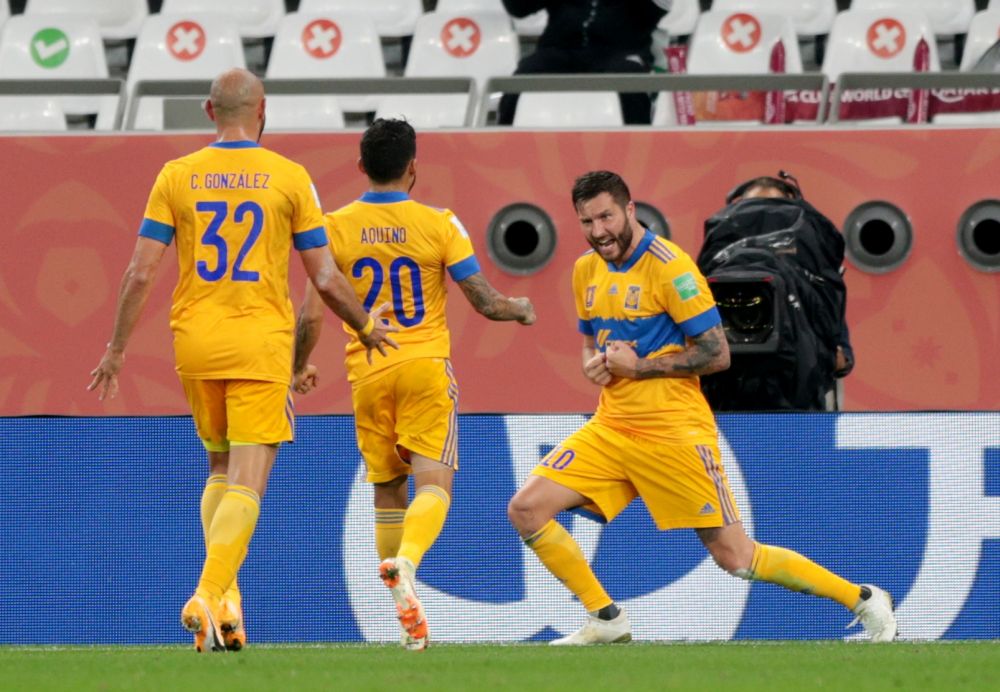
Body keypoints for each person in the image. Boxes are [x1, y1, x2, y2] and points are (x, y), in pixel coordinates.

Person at [506, 170, 897, 644]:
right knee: (527, 509)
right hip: (611, 427)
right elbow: (593, 344)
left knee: (737, 557)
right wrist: (595, 365)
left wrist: (640, 367)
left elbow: (717, 354)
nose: (598, 230)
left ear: (630, 210)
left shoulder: (671, 268)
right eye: (586, 221)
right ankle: (606, 620)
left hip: (673, 430)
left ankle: (863, 599)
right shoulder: (584, 269)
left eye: (606, 216)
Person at [87, 68, 398, 653]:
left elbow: (141, 271)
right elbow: (326, 278)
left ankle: (228, 601)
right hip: (259, 341)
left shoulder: (176, 175)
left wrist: (117, 349)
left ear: (209, 111)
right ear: (263, 109)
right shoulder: (289, 177)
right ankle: (207, 592)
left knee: (219, 468)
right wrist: (365, 324)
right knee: (250, 479)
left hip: (195, 341)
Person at [292, 118, 536, 651]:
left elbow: (312, 314)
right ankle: (406, 564)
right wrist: (518, 309)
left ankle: (399, 616)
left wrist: (298, 367)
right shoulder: (440, 223)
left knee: (387, 489)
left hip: (368, 371)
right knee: (434, 486)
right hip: (424, 366)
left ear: (361, 167)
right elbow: (485, 301)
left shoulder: (333, 226)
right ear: (413, 168)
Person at [497, 0, 670, 125]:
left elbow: (661, 7)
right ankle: (503, 150)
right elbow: (518, 7)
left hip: (621, 51)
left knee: (628, 79)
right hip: (561, 49)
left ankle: (639, 153)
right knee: (526, 74)